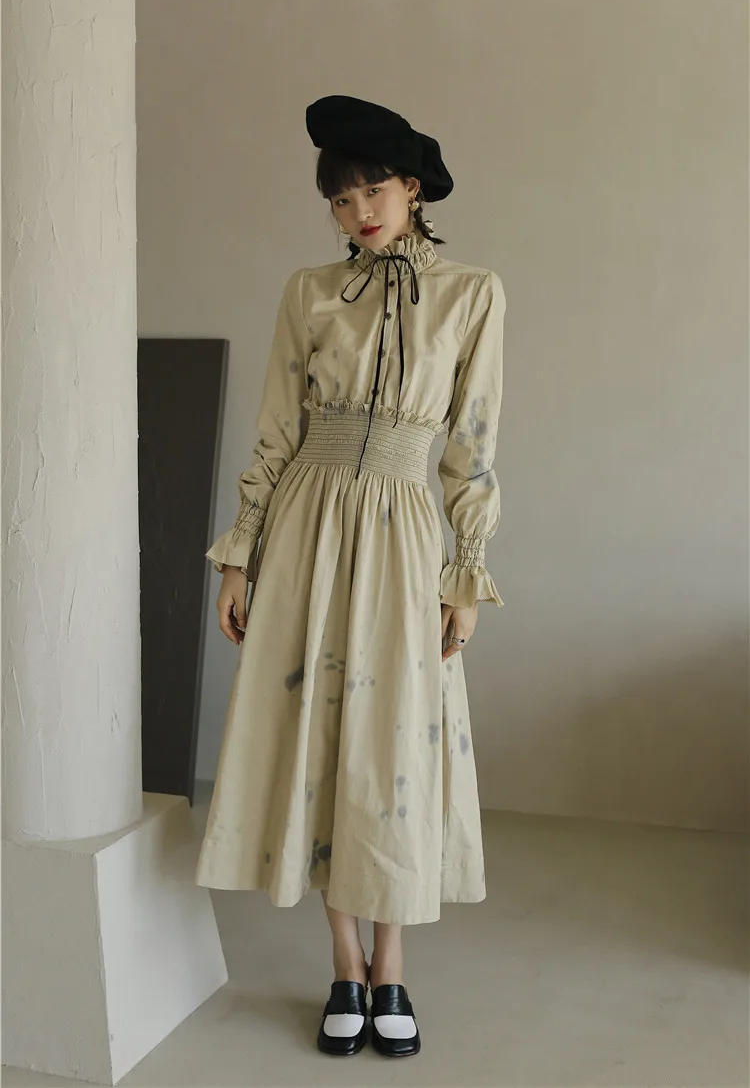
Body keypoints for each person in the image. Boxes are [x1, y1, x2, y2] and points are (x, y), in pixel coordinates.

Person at [194, 95, 507, 1059]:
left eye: (373, 189)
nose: (358, 210)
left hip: (406, 531)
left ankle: (392, 965)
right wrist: (240, 553)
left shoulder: (473, 294)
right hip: (307, 528)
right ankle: (343, 961)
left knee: (395, 742)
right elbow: (276, 429)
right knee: (321, 733)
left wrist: (465, 572)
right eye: (339, 197)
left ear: (412, 188)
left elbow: (473, 444)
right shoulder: (309, 292)